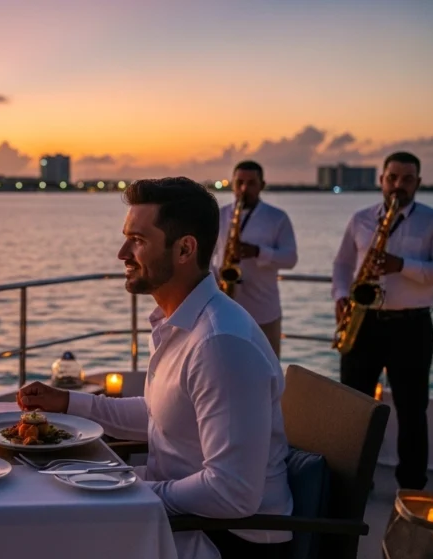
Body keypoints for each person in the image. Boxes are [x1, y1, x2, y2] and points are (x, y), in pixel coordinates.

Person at [19, 177, 292, 559]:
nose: (122, 253)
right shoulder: (179, 322)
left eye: (139, 240)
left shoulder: (221, 345)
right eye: (126, 237)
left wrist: (130, 492)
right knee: (41, 496)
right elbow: (159, 414)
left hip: (228, 537)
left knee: (47, 537)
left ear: (184, 249)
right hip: (182, 512)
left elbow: (232, 493)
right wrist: (66, 402)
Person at [332, 151, 433, 490]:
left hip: (411, 328)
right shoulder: (360, 219)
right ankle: (353, 481)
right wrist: (341, 296)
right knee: (353, 407)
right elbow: (342, 264)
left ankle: (411, 487)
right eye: (392, 178)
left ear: (419, 182)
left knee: (412, 412)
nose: (398, 185)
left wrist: (402, 265)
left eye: (407, 179)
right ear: (381, 180)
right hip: (364, 322)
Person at [211, 160, 297, 357]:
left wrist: (258, 252)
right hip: (226, 309)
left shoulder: (277, 218)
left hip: (264, 312)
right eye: (239, 182)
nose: (244, 188)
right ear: (232, 183)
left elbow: (290, 258)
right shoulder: (220, 215)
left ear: (262, 186)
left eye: (251, 183)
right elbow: (207, 255)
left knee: (269, 373)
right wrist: (216, 278)